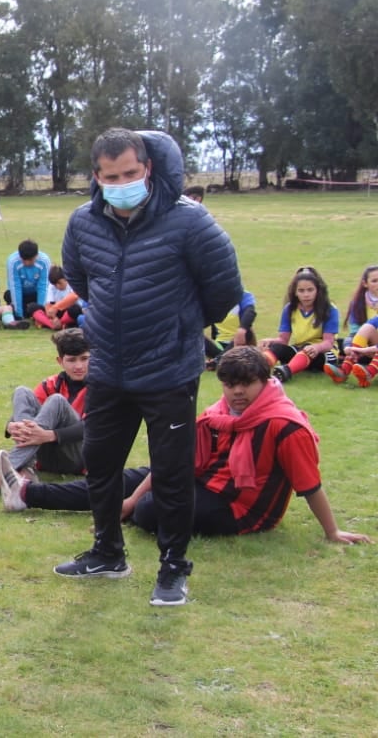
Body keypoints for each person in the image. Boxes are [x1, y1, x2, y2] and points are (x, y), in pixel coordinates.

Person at [58, 127, 242, 608]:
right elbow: (80, 275)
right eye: (111, 176)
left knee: (173, 472)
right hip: (109, 368)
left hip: (168, 369)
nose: (122, 183)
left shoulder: (191, 223)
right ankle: (107, 552)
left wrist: (183, 324)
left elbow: (223, 288)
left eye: (130, 174)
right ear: (96, 177)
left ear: (148, 169)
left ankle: (173, 567)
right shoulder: (82, 223)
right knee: (98, 462)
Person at [0, 348, 371, 548]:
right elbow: (172, 464)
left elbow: (309, 484)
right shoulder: (218, 412)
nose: (238, 393)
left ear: (265, 382)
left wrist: (332, 532)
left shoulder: (285, 425)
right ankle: (27, 493)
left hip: (239, 506)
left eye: (247, 385)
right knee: (121, 480)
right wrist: (129, 498)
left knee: (148, 511)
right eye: (230, 385)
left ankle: (123, 506)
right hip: (201, 481)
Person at [0, 327, 89, 490]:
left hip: (78, 457)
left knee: (56, 401)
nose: (79, 366)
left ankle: (6, 469)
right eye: (72, 360)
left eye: (84, 359)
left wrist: (50, 435)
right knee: (22, 392)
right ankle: (25, 469)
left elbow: (94, 426)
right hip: (45, 457)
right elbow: (28, 412)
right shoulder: (52, 383)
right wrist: (10, 426)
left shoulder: (102, 387)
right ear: (60, 361)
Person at [260, 267, 339, 383]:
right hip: (300, 348)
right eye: (301, 291)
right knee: (276, 349)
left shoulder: (329, 309)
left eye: (310, 290)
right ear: (295, 292)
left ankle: (286, 371)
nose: (306, 295)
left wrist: (316, 347)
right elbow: (283, 340)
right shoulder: (290, 308)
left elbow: (328, 343)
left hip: (324, 352)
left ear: (317, 290)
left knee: (307, 351)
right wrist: (270, 341)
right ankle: (259, 368)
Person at [4, 239, 52, 328]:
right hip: (21, 295)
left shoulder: (44, 261)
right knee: (8, 294)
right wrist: (19, 315)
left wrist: (40, 312)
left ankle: (36, 314)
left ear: (36, 255)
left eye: (30, 260)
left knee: (43, 301)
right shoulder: (12, 262)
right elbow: (15, 287)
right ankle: (20, 314)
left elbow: (43, 287)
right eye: (24, 260)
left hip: (35, 294)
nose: (27, 263)